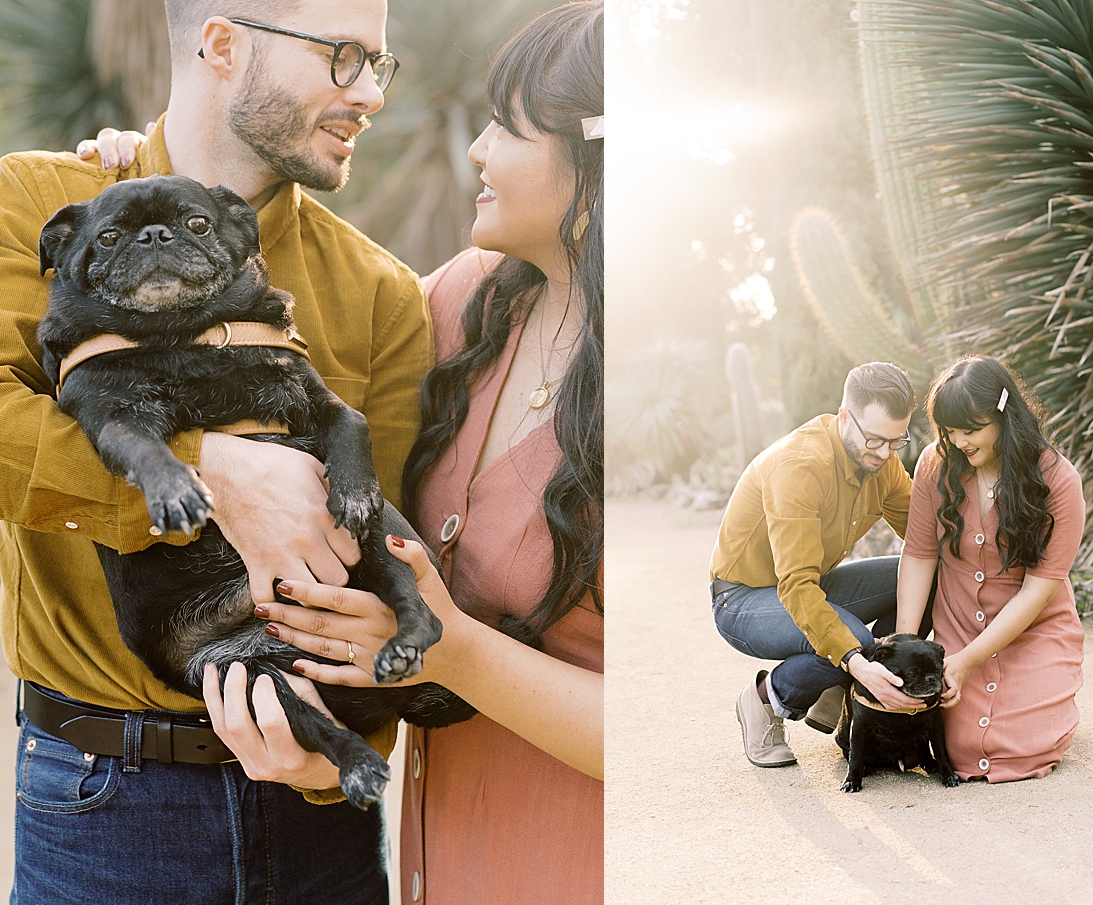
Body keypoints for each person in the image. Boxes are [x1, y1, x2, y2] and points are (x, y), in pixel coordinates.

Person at [88, 4, 605, 903]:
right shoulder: (462, 305)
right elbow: (234, 332)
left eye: (506, 127)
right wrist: (154, 185)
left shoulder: (663, 387)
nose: (477, 150)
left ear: (599, 165)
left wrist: (447, 652)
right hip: (431, 850)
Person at [0, 1, 433, 901]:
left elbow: (383, 553)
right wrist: (214, 470)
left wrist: (348, 752)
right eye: (344, 57)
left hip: (323, 811)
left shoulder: (383, 292)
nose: (370, 94)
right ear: (224, 44)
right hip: (105, 800)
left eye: (380, 68)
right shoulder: (31, 202)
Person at [709, 361, 933, 768]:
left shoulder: (880, 462)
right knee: (853, 645)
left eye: (896, 441)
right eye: (875, 440)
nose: (885, 454)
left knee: (924, 579)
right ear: (844, 417)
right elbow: (795, 586)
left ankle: (846, 692)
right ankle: (766, 700)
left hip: (817, 585)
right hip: (741, 602)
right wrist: (856, 662)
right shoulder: (799, 466)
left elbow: (925, 539)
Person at [894, 356, 1085, 782]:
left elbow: (1039, 590)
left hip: (1034, 628)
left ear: (1004, 415)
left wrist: (966, 662)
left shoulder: (1058, 480)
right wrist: (908, 644)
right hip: (959, 627)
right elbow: (920, 553)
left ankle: (1052, 701)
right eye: (949, 430)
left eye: (971, 429)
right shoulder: (934, 464)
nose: (959, 441)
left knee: (1027, 747)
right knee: (960, 748)